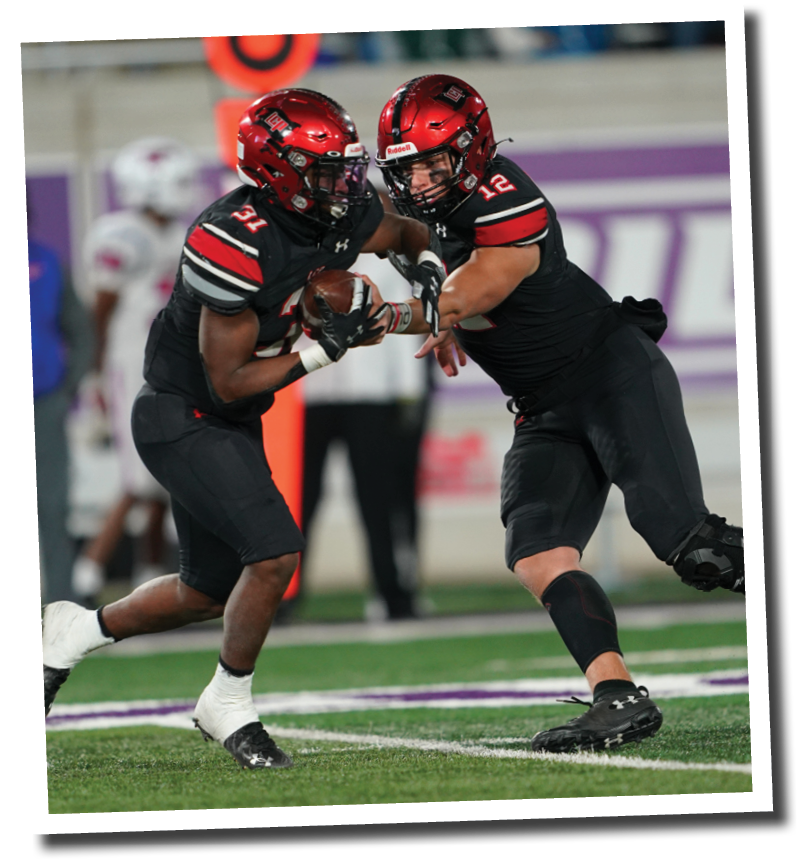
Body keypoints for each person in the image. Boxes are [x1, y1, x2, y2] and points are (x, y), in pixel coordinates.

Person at [42, 88, 444, 770]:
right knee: (275, 552)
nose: (345, 185)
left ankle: (72, 631)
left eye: (346, 167)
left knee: (203, 590)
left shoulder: (339, 213)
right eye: (326, 171)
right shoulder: (231, 236)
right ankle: (227, 701)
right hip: (181, 413)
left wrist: (430, 279)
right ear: (278, 170)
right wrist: (327, 347)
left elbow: (409, 232)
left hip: (227, 420)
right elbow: (228, 379)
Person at [373, 74, 744, 753]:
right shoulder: (411, 217)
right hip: (543, 405)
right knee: (537, 548)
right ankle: (618, 696)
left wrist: (385, 316)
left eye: (436, 161)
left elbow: (475, 285)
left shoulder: (505, 197)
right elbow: (451, 292)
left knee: (692, 545)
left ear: (473, 152)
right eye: (409, 166)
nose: (422, 179)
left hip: (610, 373)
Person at [71, 138, 200, 602]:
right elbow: (100, 312)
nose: (187, 189)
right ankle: (85, 575)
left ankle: (150, 572)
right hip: (130, 366)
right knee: (139, 478)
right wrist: (94, 374)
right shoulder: (120, 234)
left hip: (169, 366)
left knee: (163, 475)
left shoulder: (176, 232)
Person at [299, 210, 431, 622]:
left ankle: (392, 594)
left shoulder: (385, 258)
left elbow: (404, 324)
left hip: (371, 395)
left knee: (380, 501)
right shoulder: (301, 254)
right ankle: (280, 596)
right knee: (298, 500)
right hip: (309, 390)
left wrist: (409, 395)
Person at [29, 227, 94, 603]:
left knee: (52, 506)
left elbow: (80, 329)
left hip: (43, 401)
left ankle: (60, 604)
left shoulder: (46, 261)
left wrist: (66, 387)